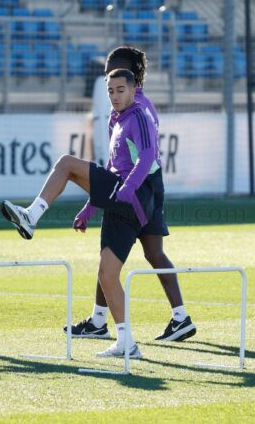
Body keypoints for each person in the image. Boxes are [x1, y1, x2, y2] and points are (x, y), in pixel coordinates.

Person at [1, 68, 156, 358]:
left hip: (131, 196)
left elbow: (148, 157)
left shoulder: (139, 116)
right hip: (119, 199)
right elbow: (112, 168)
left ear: (134, 91)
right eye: (110, 91)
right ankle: (127, 343)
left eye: (120, 90)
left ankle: (31, 216)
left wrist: (127, 189)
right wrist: (89, 207)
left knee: (66, 164)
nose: (115, 96)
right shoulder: (116, 120)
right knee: (107, 275)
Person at [66, 46, 196, 342]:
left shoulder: (136, 107)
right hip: (147, 182)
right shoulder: (130, 103)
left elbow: (144, 154)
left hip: (140, 184)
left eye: (113, 66)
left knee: (112, 255)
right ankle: (180, 317)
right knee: (151, 253)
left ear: (130, 75)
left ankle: (101, 322)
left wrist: (126, 188)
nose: (107, 71)